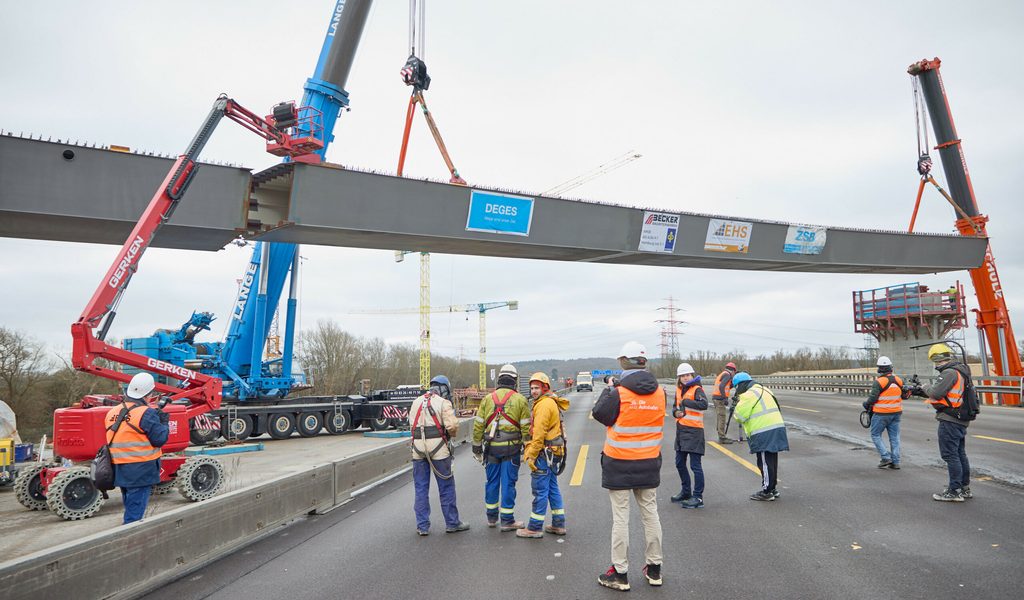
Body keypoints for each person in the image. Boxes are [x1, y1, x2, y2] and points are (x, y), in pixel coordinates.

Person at [592, 342, 664, 591]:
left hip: (619, 463)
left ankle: (620, 573)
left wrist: (611, 389)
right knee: (650, 515)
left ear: (624, 362)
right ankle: (654, 569)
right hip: (649, 463)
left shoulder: (619, 392)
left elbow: (600, 415)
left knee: (621, 519)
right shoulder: (660, 393)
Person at [472, 364, 531, 531]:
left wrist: (476, 448)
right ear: (514, 380)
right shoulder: (520, 400)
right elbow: (526, 428)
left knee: (491, 482)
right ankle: (507, 520)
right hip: (511, 450)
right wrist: (528, 448)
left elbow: (478, 426)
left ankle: (491, 518)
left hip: (491, 449)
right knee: (508, 483)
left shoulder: (487, 399)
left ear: (499, 379)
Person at [105, 372, 169, 524]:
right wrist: (164, 423)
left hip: (119, 469)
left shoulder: (112, 412)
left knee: (130, 505)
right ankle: (131, 542)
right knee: (134, 515)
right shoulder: (146, 413)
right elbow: (160, 439)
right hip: (140, 469)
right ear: (148, 395)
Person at [409, 375, 469, 535]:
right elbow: (453, 426)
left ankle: (422, 526)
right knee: (446, 487)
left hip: (418, 450)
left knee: (421, 488)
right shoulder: (443, 402)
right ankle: (452, 523)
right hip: (439, 451)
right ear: (445, 388)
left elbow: (411, 425)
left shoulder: (416, 402)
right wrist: (449, 436)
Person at [516, 372, 569, 538]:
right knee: (552, 489)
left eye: (537, 388)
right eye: (532, 388)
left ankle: (534, 527)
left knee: (540, 491)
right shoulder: (549, 401)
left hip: (543, 454)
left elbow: (538, 435)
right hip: (552, 453)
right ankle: (558, 524)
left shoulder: (544, 405)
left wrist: (530, 454)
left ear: (544, 388)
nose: (533, 391)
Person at [919, 343, 974, 502]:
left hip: (950, 419)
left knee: (950, 455)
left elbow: (936, 393)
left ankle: (954, 490)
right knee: (959, 454)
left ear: (935, 359)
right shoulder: (962, 371)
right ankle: (964, 488)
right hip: (960, 418)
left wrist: (925, 386)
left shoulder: (949, 372)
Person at [731, 372, 789, 501]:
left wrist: (736, 406)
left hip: (763, 431)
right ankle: (772, 488)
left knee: (764, 462)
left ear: (741, 385)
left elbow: (740, 417)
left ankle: (767, 491)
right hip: (776, 427)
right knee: (772, 460)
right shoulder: (765, 389)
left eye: (736, 387)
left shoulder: (748, 395)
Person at [670, 363, 708, 508]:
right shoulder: (679, 390)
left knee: (695, 466)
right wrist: (676, 412)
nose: (685, 378)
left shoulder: (697, 389)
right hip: (681, 431)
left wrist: (687, 402)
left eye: (687, 375)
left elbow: (704, 404)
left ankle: (698, 497)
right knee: (679, 463)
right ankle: (686, 491)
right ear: (679, 378)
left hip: (694, 432)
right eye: (682, 376)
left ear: (692, 375)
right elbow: (675, 406)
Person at [862, 356, 908, 469]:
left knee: (875, 435)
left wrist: (865, 404)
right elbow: (904, 395)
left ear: (879, 369)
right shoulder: (899, 380)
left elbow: (873, 399)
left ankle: (885, 457)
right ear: (890, 368)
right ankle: (895, 462)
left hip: (881, 414)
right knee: (894, 437)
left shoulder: (879, 382)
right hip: (896, 413)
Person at [712, 362, 737, 444]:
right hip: (719, 399)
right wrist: (724, 398)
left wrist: (733, 384)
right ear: (732, 370)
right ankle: (722, 437)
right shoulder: (727, 375)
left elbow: (725, 386)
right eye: (734, 372)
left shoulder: (723, 374)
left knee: (720, 417)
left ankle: (720, 431)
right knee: (722, 417)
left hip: (716, 398)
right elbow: (721, 386)